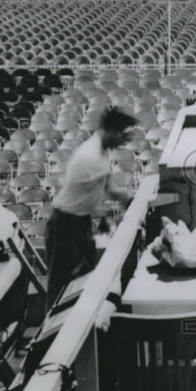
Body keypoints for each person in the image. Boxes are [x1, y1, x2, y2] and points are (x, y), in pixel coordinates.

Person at [45, 106, 138, 307]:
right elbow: (111, 190)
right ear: (112, 130)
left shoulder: (100, 150)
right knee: (61, 286)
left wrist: (106, 213)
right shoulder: (91, 156)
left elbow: (97, 191)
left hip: (79, 221)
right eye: (123, 136)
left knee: (81, 281)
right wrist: (134, 200)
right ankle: (52, 335)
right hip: (65, 225)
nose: (125, 142)